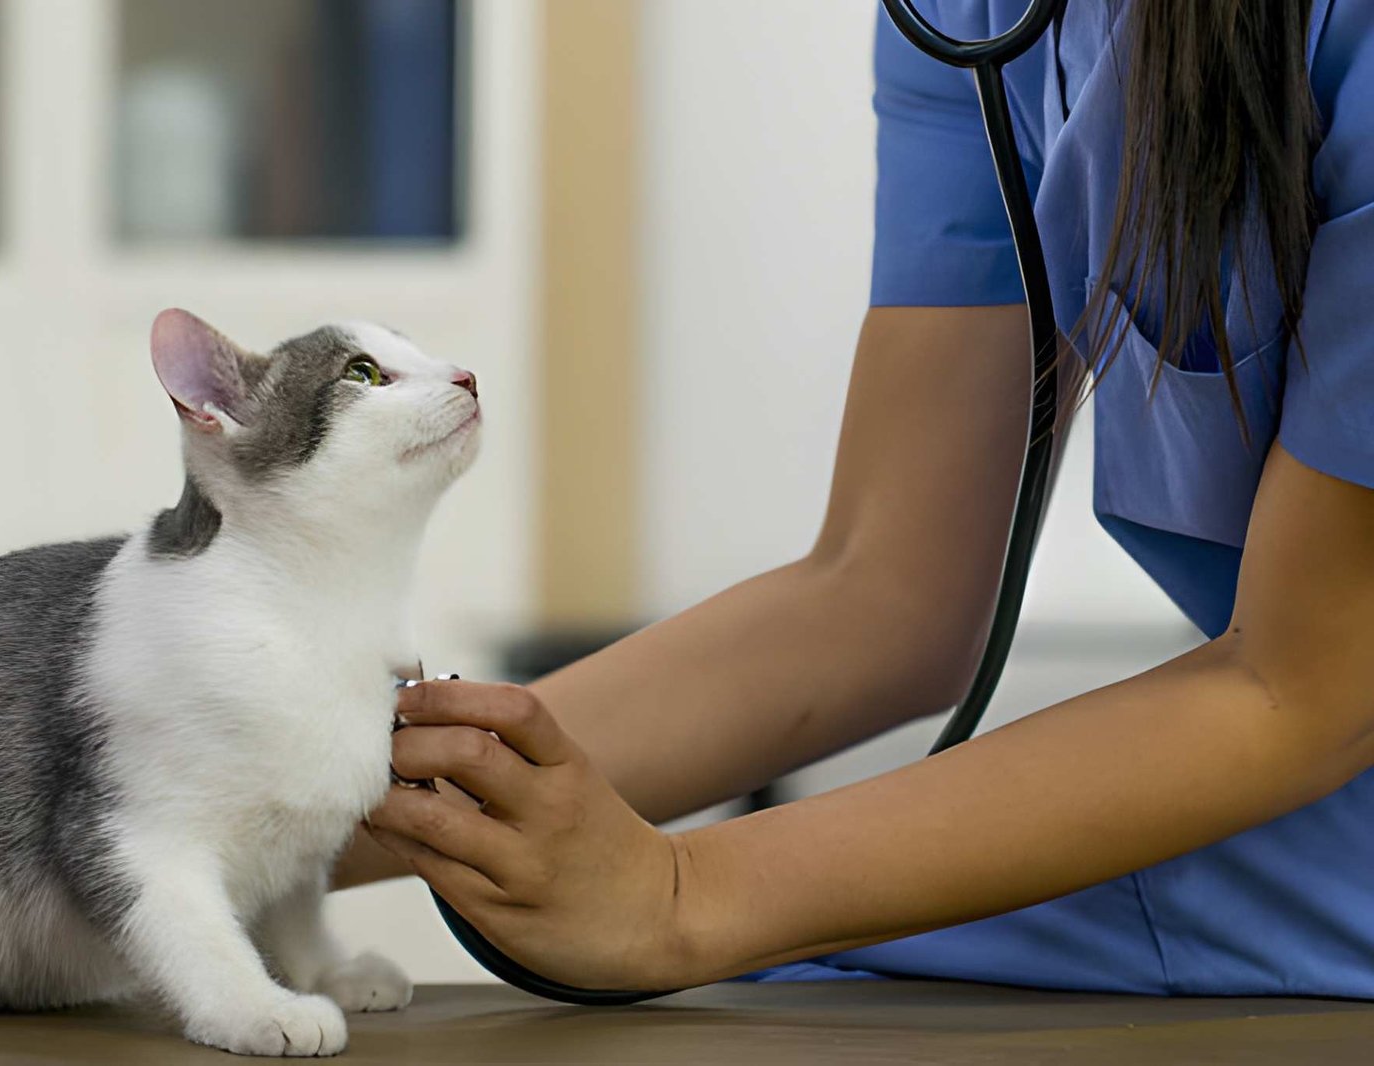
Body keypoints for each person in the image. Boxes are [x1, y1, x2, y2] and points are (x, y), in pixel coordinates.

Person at [345, 0, 1374, 996]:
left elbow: (1304, 687)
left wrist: (675, 896)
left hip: (1321, 756)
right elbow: (885, 595)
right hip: (1310, 771)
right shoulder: (971, 19)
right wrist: (271, 805)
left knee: (782, 983)